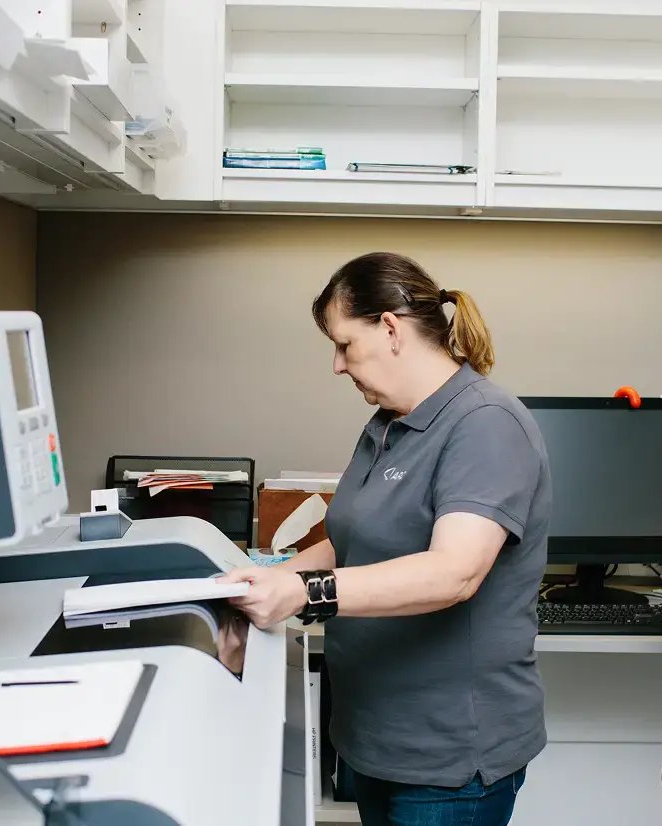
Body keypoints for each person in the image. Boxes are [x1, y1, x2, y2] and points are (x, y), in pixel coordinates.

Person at [221, 252, 553, 826]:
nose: (337, 365)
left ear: (391, 329)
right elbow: (349, 541)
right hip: (374, 736)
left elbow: (454, 573)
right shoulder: (387, 423)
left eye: (345, 345)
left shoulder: (486, 424)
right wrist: (264, 584)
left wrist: (302, 595)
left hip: (448, 757)